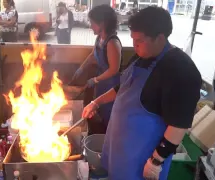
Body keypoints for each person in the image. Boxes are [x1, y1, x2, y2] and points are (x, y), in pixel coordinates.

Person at [82, 6, 202, 179]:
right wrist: (96, 102)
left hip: (141, 157)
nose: (134, 45)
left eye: (139, 41)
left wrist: (156, 161)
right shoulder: (140, 56)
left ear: (160, 38)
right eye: (133, 39)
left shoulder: (181, 70)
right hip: (119, 148)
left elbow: (178, 124)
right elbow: (122, 87)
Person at [71, 4, 122, 134]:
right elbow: (93, 55)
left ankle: (107, 138)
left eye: (93, 23)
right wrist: (81, 69)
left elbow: (114, 69)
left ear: (102, 24)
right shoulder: (99, 38)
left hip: (111, 85)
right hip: (101, 83)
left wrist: (95, 79)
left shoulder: (112, 42)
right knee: (99, 109)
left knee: (109, 114)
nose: (90, 26)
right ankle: (100, 135)